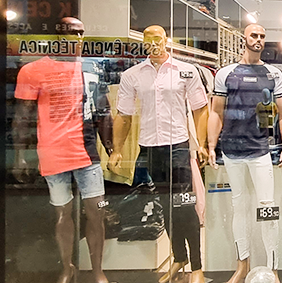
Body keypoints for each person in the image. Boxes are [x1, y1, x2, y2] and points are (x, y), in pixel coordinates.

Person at [13, 17, 113, 283]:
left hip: (86, 150)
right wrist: (20, 156)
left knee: (96, 212)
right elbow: (22, 116)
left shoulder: (91, 67)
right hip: (52, 151)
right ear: (58, 37)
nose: (77, 39)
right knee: (62, 213)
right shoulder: (33, 70)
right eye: (71, 34)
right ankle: (68, 267)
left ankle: (97, 270)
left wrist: (112, 148)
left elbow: (103, 110)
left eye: (81, 34)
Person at [109, 25, 209, 283]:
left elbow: (200, 109)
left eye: (157, 38)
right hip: (150, 148)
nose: (153, 44)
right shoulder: (132, 75)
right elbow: (124, 115)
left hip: (178, 145)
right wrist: (117, 150)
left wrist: (203, 144)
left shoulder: (186, 71)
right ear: (142, 43)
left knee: (184, 205)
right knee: (165, 206)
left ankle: (197, 266)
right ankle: (179, 257)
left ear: (166, 40)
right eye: (148, 39)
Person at [207, 24, 282, 283]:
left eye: (262, 36)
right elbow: (216, 112)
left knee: (267, 208)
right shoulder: (226, 73)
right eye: (254, 35)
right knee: (240, 207)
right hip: (232, 149)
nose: (258, 40)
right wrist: (210, 146)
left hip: (260, 150)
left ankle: (273, 268)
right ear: (244, 38)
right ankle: (242, 265)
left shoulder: (273, 74)